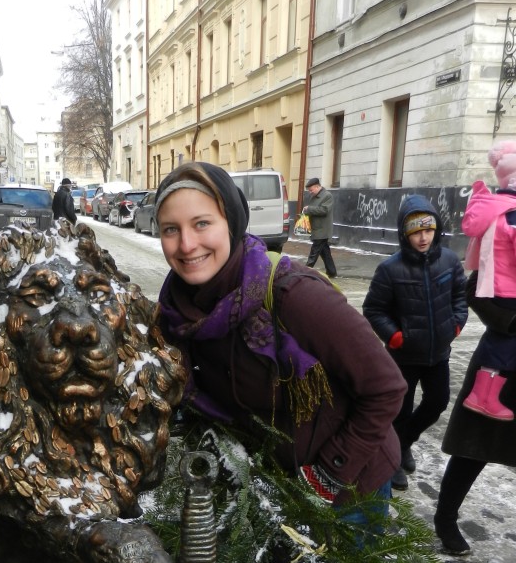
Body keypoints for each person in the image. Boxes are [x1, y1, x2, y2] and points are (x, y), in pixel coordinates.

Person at [153, 161, 406, 506]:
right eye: (170, 229)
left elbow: (386, 387)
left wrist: (329, 474)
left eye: (202, 224)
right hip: (268, 485)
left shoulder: (294, 296)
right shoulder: (175, 310)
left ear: (232, 223)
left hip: (347, 490)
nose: (186, 244)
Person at [363, 197, 468, 492]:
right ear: (405, 234)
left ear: (436, 230)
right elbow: (373, 310)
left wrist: (456, 324)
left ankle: (404, 443)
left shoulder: (449, 260)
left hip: (438, 355)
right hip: (403, 357)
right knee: (400, 411)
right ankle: (393, 459)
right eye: (415, 231)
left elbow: (460, 296)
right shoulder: (389, 269)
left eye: (428, 230)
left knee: (437, 402)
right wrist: (396, 337)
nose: (423, 237)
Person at [434, 273, 516, 555]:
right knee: (474, 448)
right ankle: (445, 518)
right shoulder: (505, 230)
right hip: (500, 362)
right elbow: (475, 290)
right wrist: (509, 321)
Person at [457, 139, 516, 421]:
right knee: (505, 339)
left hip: (499, 286)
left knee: (502, 339)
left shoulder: (497, 208)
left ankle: (485, 395)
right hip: (507, 289)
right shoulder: (512, 213)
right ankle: (484, 395)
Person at [302, 177, 337, 277]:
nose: (310, 192)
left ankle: (304, 273)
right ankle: (332, 272)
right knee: (325, 253)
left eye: (311, 190)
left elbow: (324, 210)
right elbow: (313, 210)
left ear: (317, 187)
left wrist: (309, 209)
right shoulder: (314, 196)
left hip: (322, 230)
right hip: (316, 229)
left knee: (314, 253)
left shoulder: (327, 196)